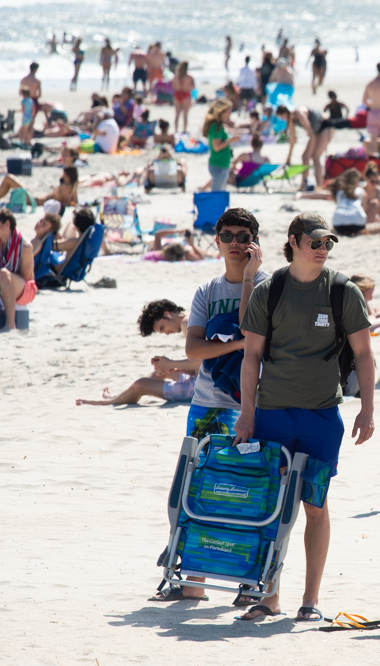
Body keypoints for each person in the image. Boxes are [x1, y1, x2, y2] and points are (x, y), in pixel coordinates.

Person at [233, 213, 375, 622]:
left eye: (327, 243)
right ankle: (270, 595)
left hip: (321, 416)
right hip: (272, 415)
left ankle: (309, 601)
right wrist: (246, 414)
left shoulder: (343, 290)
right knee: (273, 507)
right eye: (314, 242)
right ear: (293, 241)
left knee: (315, 504)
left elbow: (364, 353)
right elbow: (251, 357)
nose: (322, 249)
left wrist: (367, 407)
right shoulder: (270, 289)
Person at [149, 208, 269, 603]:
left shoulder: (270, 284)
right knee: (196, 485)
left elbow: (259, 334)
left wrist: (251, 279)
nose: (235, 243)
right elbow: (193, 348)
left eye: (243, 235)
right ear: (216, 240)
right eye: (227, 235)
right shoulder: (207, 291)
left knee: (248, 492)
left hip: (255, 404)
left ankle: (249, 583)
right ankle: (194, 579)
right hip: (208, 403)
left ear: (255, 240)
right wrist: (237, 344)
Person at [75, 300, 201, 406]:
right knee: (161, 371)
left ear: (167, 314)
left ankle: (108, 402)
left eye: (163, 328)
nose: (167, 333)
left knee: (140, 384)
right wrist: (173, 366)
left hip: (200, 389)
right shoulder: (193, 317)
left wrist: (170, 363)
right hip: (201, 379)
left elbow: (203, 361)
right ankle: (121, 396)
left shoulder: (186, 323)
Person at [275, 105, 330, 186]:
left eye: (281, 117)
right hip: (317, 130)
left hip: (326, 125)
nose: (281, 119)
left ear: (284, 114)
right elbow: (293, 140)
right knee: (307, 157)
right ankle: (305, 184)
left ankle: (318, 185)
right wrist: (288, 158)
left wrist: (307, 154)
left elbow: (311, 134)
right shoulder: (291, 119)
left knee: (313, 157)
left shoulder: (299, 114)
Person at [0, 166, 78, 210]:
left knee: (9, 179)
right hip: (36, 196)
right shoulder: (72, 187)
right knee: (11, 180)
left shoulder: (65, 186)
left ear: (68, 175)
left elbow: (66, 201)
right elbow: (74, 202)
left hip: (35, 200)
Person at [203, 99, 245, 192]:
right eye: (228, 112)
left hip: (222, 164)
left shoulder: (220, 126)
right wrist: (231, 140)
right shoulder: (216, 126)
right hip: (218, 164)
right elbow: (216, 147)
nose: (229, 115)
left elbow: (230, 130)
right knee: (216, 193)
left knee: (219, 191)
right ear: (221, 112)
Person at [329, 168, 371, 237]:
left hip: (338, 222)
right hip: (357, 222)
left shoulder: (339, 192)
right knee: (364, 231)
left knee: (336, 231)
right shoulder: (361, 192)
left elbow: (338, 205)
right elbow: (363, 210)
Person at [173, 62, 195, 134]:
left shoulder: (176, 77)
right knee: (185, 115)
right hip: (186, 95)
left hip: (177, 95)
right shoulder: (189, 77)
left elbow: (173, 86)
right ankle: (184, 130)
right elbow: (193, 87)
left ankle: (176, 130)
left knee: (177, 114)